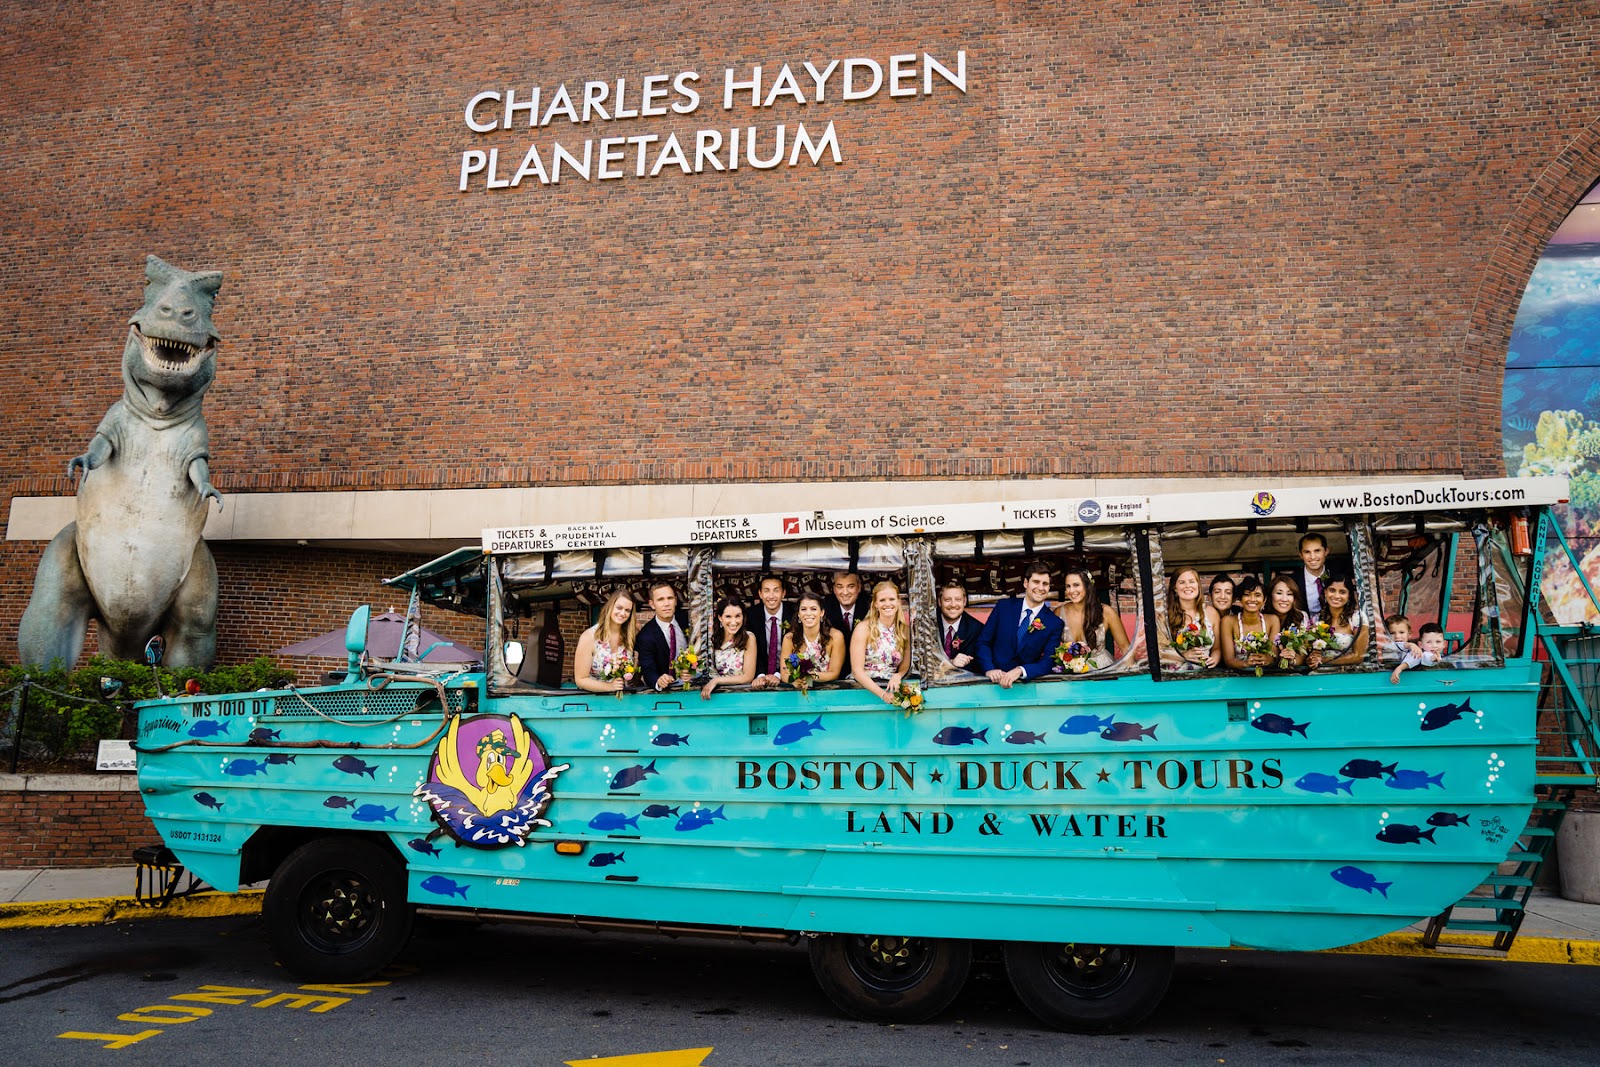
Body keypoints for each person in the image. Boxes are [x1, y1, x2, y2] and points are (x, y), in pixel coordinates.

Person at [976, 561, 1064, 688]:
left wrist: (1020, 670)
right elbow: (983, 642)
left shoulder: (1054, 623)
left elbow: (1048, 662)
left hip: (1025, 686)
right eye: (1036, 582)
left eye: (1045, 584)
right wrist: (989, 669)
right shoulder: (1003, 607)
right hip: (991, 682)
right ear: (1025, 583)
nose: (1040, 588)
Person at [851, 580, 912, 702]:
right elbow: (857, 671)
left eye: (891, 599)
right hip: (864, 690)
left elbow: (905, 665)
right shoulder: (863, 628)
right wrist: (882, 694)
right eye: (882, 600)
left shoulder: (904, 630)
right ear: (875, 604)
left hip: (891, 688)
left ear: (899, 602)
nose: (887, 604)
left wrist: (898, 675)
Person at [1056, 569, 1129, 670]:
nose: (1071, 591)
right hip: (1071, 671)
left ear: (1087, 586)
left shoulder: (1106, 612)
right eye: (1068, 586)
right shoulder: (1059, 612)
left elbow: (1125, 647)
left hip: (1101, 669)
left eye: (1076, 585)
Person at [574, 589, 638, 694]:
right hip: (594, 703)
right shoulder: (589, 637)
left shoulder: (630, 637)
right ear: (610, 607)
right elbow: (581, 680)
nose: (623, 613)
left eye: (627, 610)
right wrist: (609, 686)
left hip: (623, 702)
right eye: (619, 608)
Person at [636, 582, 693, 692]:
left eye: (670, 598)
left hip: (694, 687)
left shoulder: (688, 620)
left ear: (675, 600)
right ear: (652, 604)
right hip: (667, 691)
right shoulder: (645, 636)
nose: (666, 603)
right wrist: (658, 680)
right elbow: (648, 668)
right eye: (661, 599)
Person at [781, 593, 846, 687]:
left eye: (813, 609)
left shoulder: (835, 636)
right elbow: (784, 674)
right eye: (803, 609)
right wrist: (794, 680)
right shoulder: (789, 638)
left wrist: (810, 677)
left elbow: (834, 673)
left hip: (827, 691)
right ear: (799, 614)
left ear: (822, 612)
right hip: (798, 691)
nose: (808, 613)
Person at [1219, 575, 1279, 672]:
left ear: (1264, 600)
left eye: (1257, 595)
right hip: (1238, 677)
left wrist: (1266, 660)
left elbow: (1273, 655)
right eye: (1247, 594)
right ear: (1240, 599)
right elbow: (1229, 660)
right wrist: (1245, 663)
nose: (1252, 599)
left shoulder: (1272, 620)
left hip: (1265, 676)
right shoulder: (1228, 621)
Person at [1308, 572, 1368, 668]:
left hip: (1347, 675)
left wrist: (1325, 660)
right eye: (1332, 590)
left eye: (1342, 592)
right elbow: (1310, 652)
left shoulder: (1357, 619)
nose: (1336, 596)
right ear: (1325, 592)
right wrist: (1312, 659)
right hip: (1318, 674)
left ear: (1349, 595)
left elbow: (1358, 657)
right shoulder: (1316, 619)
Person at [701, 597, 757, 699]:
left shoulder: (749, 638)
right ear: (720, 617)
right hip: (712, 697)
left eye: (737, 616)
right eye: (728, 617)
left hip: (740, 696)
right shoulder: (710, 639)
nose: (733, 622)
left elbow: (748, 676)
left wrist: (716, 681)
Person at [1167, 568, 1221, 668]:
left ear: (1198, 586)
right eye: (1182, 582)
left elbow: (1217, 648)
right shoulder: (1165, 616)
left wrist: (1214, 660)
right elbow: (1160, 652)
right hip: (1176, 675)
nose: (1187, 586)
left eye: (1192, 581)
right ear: (1175, 588)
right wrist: (1182, 656)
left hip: (1205, 674)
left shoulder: (1211, 613)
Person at [749, 574, 794, 689]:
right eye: (766, 591)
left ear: (783, 593)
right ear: (760, 594)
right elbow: (751, 649)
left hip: (788, 674)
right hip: (760, 675)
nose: (771, 596)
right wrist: (761, 675)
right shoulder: (751, 615)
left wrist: (779, 674)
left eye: (776, 591)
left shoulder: (795, 613)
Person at [936, 581, 984, 671]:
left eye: (958, 599)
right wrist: (950, 662)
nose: (953, 605)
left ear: (964, 601)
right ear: (939, 602)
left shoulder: (976, 629)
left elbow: (974, 665)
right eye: (947, 600)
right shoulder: (930, 623)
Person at [822, 571, 869, 636]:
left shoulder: (869, 605)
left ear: (859, 588)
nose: (845, 592)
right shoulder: (825, 606)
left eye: (850, 586)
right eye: (840, 587)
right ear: (834, 589)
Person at [1298, 533, 1331, 617]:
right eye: (1307, 552)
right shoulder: (1293, 581)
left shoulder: (1336, 573)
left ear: (1326, 551)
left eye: (1317, 551)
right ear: (1301, 555)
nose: (1312, 557)